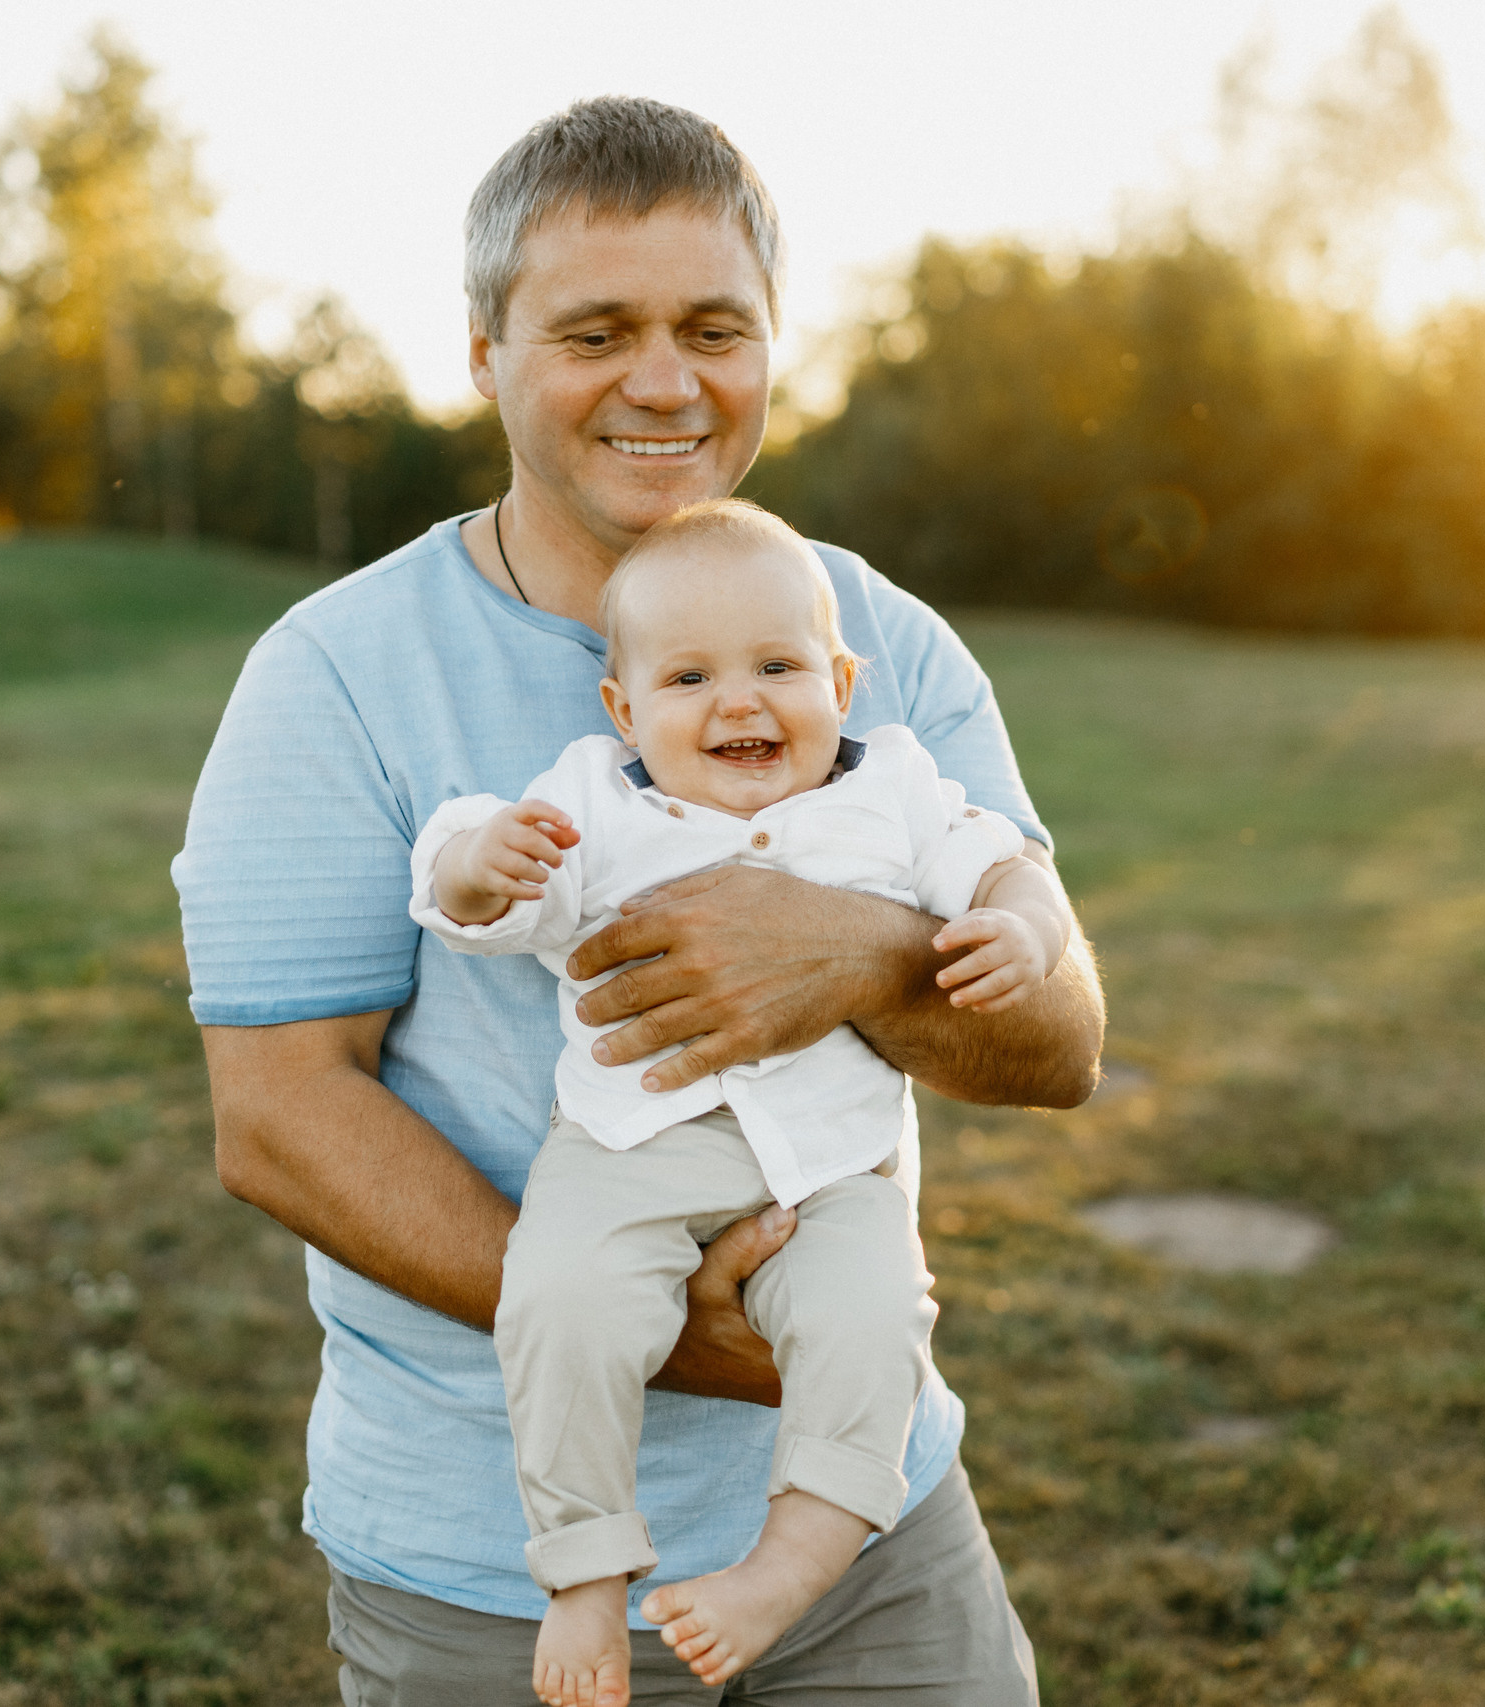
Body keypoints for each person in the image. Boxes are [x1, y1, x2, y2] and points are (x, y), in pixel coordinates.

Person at [174, 95, 1103, 1705]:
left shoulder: (874, 639)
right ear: (483, 351)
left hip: (869, 1533)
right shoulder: (333, 673)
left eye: (712, 328)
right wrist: (679, 1332)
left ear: (769, 344)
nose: (664, 381)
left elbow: (1061, 1042)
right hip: (483, 1580)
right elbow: (276, 1114)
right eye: (595, 330)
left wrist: (862, 953)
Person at [412, 501, 1078, 1706]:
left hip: (828, 1168)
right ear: (623, 711)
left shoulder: (893, 793)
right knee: (558, 1299)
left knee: (875, 1318)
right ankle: (582, 1569)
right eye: (687, 677)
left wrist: (1020, 927)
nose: (739, 703)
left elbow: (1000, 859)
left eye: (778, 668)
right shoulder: (591, 803)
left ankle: (790, 1567)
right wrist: (477, 864)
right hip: (631, 1143)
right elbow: (480, 885)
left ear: (841, 679)